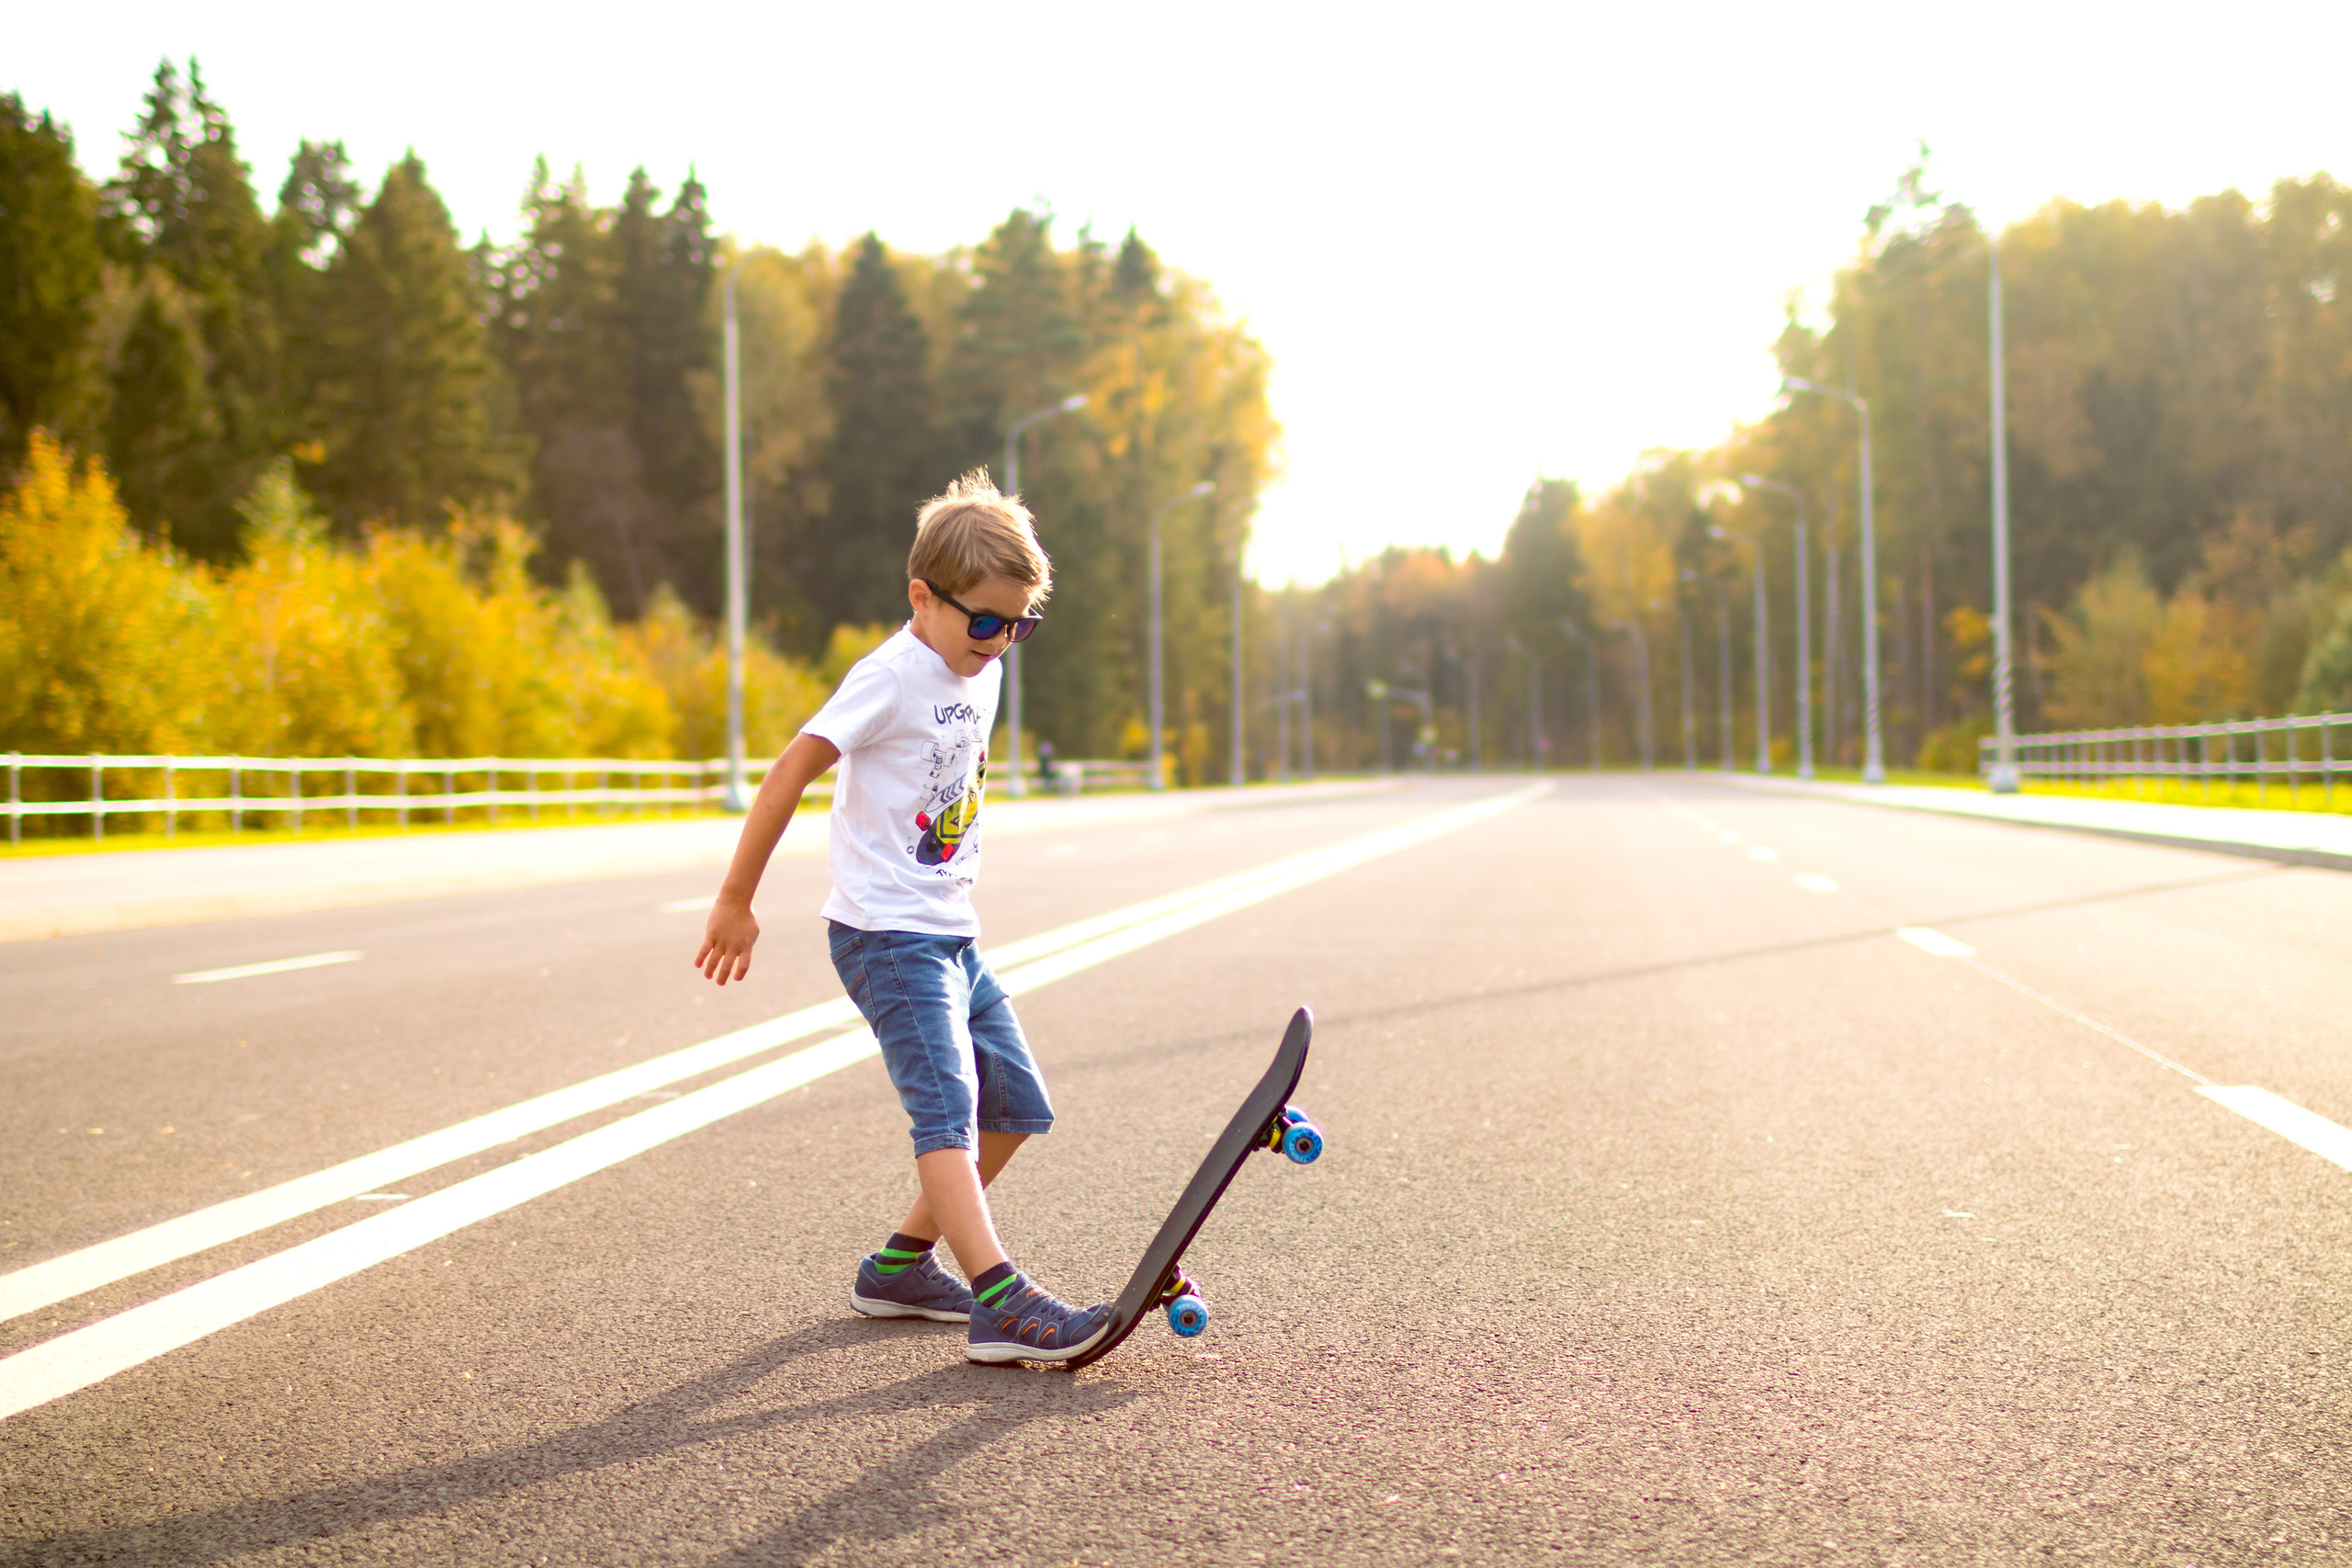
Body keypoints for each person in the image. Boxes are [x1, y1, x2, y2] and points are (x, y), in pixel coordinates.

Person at [693, 469, 1110, 1365]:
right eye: (986, 622)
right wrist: (734, 901)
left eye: (1020, 625)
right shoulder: (889, 676)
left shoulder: (976, 664)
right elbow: (786, 773)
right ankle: (1000, 1300)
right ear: (921, 598)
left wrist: (988, 640)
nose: (1000, 643)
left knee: (1015, 1105)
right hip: (886, 935)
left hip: (950, 931)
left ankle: (898, 1268)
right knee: (948, 1110)